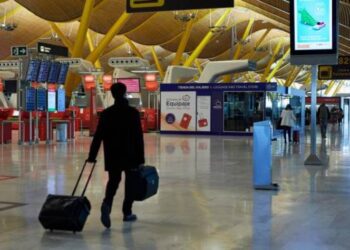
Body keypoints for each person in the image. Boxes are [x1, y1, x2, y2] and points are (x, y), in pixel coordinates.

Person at [87, 82, 145, 228]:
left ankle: (107, 203)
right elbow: (138, 138)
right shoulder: (132, 113)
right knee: (130, 183)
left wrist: (92, 155)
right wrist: (141, 159)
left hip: (113, 154)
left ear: (112, 95)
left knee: (114, 181)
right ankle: (127, 213)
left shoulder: (107, 114)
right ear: (125, 93)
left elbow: (98, 136)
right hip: (131, 154)